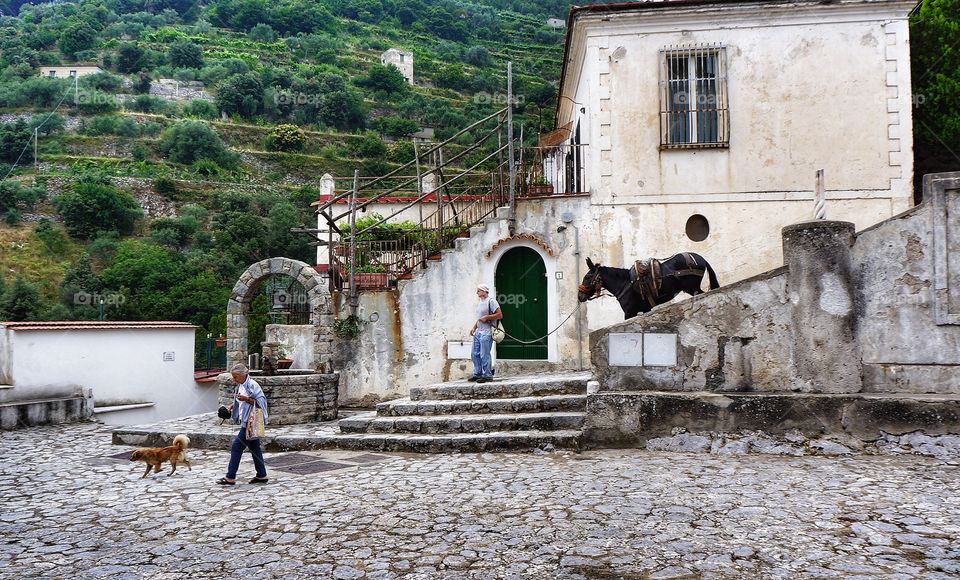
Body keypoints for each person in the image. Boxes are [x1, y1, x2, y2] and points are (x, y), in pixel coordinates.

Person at [217, 363, 269, 485]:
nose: (234, 380)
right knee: (254, 448)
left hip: (251, 421)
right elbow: (241, 400)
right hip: (247, 420)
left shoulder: (252, 385)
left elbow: (261, 402)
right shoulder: (241, 385)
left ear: (242, 375)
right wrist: (233, 406)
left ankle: (230, 476)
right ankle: (261, 475)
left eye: (235, 377)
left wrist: (246, 399)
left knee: (237, 446)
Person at [469, 284, 502, 383]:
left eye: (478, 290)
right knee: (474, 354)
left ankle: (487, 375)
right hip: (479, 332)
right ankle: (477, 373)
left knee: (484, 354)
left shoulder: (491, 301)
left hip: (487, 332)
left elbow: (499, 315)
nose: (477, 292)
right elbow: (480, 317)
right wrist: (474, 327)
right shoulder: (480, 302)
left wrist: (487, 317)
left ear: (484, 291)